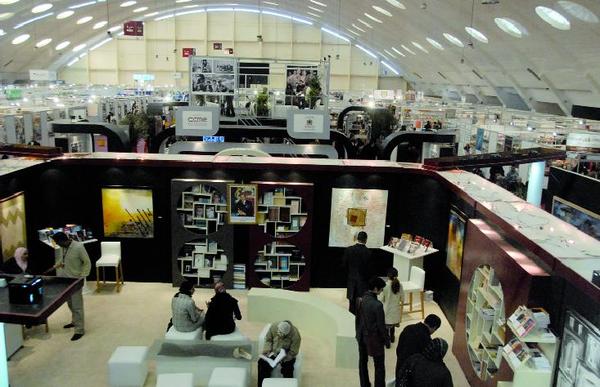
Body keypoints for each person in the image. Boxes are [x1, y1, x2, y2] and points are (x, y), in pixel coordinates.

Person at [51, 232, 91, 341]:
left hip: (75, 281)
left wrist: (82, 277)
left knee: (77, 305)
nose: (58, 245)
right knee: (70, 303)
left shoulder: (78, 247)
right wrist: (55, 266)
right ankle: (74, 322)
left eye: (58, 243)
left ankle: (79, 330)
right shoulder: (64, 247)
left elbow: (87, 262)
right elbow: (63, 259)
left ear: (64, 240)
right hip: (66, 280)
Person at [356, 277, 389, 387]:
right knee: (379, 366)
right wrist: (387, 339)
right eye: (381, 289)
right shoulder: (378, 305)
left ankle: (364, 384)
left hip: (361, 336)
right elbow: (381, 326)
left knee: (362, 363)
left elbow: (358, 319)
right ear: (375, 289)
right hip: (374, 339)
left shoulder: (361, 299)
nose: (381, 291)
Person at [395, 314, 442, 384]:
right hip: (412, 374)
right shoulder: (427, 340)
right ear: (434, 328)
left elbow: (398, 349)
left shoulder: (408, 328)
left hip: (400, 366)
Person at [258, 320, 301, 387]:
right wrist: (267, 350)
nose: (280, 335)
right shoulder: (274, 327)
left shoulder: (296, 335)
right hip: (273, 352)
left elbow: (293, 351)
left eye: (282, 335)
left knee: (288, 369)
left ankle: (288, 385)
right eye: (279, 333)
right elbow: (268, 339)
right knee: (262, 363)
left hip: (286, 355)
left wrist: (285, 358)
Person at [343, 231, 371, 315]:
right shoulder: (368, 252)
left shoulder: (349, 250)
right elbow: (369, 270)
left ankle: (350, 320)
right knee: (361, 305)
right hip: (363, 283)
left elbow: (344, 265)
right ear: (366, 240)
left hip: (351, 280)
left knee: (351, 303)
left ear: (357, 239)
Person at [379, 267, 403, 342]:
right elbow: (402, 298)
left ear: (388, 276)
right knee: (393, 327)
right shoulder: (400, 285)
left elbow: (381, 299)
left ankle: (387, 342)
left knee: (386, 327)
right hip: (396, 311)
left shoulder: (385, 286)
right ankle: (392, 338)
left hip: (387, 311)